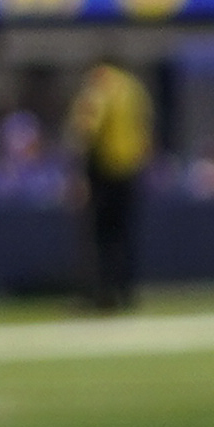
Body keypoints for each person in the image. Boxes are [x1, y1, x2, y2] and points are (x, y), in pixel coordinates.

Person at [64, 54, 156, 312]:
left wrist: (78, 171)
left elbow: (87, 128)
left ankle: (96, 294)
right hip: (129, 168)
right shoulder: (133, 87)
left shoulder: (101, 86)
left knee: (96, 236)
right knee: (124, 235)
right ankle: (124, 292)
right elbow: (145, 125)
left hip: (102, 169)